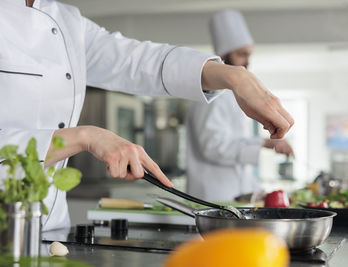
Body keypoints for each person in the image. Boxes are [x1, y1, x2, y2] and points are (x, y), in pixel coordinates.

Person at [0, 1, 293, 230]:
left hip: (49, 227)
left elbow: (138, 61)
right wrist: (84, 136)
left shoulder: (66, 20)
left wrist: (232, 77)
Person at [186, 10, 294, 201]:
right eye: (242, 54)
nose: (247, 61)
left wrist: (267, 144)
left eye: (249, 54)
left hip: (234, 194)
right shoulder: (211, 95)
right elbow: (213, 147)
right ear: (224, 55)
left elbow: (235, 145)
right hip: (212, 195)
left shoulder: (229, 94)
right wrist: (263, 143)